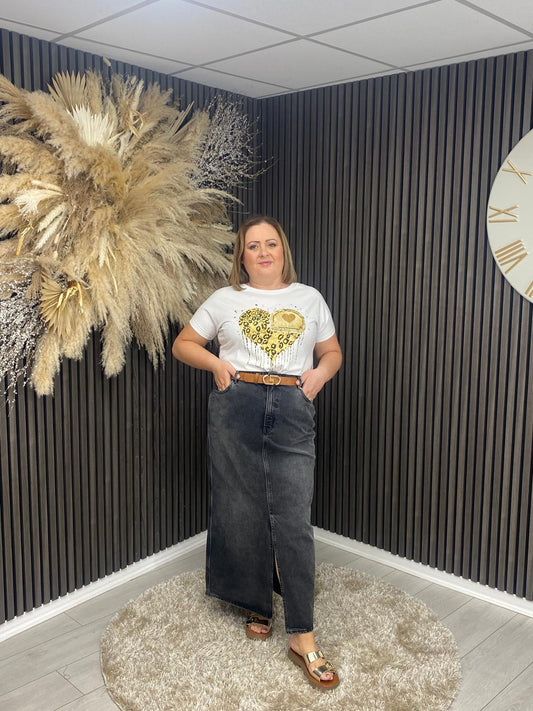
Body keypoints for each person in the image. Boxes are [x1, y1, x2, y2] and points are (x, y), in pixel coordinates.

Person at [172, 215, 342, 690]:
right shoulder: (225, 299)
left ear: (283, 250)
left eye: (271, 244)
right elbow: (183, 344)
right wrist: (216, 365)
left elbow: (332, 352)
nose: (263, 252)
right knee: (241, 506)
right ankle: (256, 603)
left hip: (292, 405)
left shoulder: (309, 298)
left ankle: (302, 636)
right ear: (242, 256)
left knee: (293, 517)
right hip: (237, 403)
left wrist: (319, 374)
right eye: (253, 246)